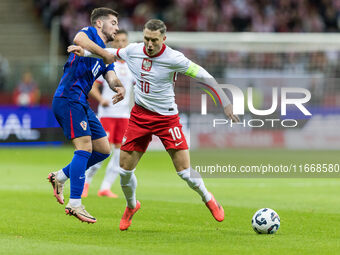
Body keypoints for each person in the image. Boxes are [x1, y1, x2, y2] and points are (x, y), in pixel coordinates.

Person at [68, 19, 239, 230]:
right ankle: (132, 206)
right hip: (139, 116)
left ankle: (207, 197)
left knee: (185, 172)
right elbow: (108, 54)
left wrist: (225, 101)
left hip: (167, 118)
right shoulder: (133, 50)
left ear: (163, 39)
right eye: (146, 39)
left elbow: (205, 76)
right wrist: (84, 53)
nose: (149, 44)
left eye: (154, 40)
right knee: (124, 171)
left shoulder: (174, 58)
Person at [47, 7, 125, 224]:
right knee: (84, 149)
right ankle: (75, 204)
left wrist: (119, 87)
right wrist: (103, 53)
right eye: (113, 22)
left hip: (81, 103)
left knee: (103, 150)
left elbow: (111, 76)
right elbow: (78, 38)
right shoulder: (89, 34)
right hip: (68, 98)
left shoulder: (105, 55)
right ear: (99, 23)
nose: (116, 28)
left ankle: (60, 176)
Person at [82, 30, 135, 198]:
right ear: (112, 44)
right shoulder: (106, 63)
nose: (120, 44)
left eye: (123, 40)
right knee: (102, 152)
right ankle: (85, 183)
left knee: (119, 155)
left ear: (127, 42)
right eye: (117, 41)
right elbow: (92, 86)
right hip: (107, 114)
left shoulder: (132, 65)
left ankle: (105, 187)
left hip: (124, 116)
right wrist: (101, 100)